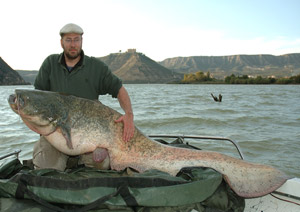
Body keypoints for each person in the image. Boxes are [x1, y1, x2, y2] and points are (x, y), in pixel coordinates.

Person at [33, 23, 135, 171]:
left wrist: (129, 115)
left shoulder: (96, 67)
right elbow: (37, 98)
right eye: (68, 40)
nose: (73, 44)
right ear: (61, 42)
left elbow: (119, 89)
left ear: (82, 41)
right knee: (45, 169)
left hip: (90, 137)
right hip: (55, 135)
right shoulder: (50, 64)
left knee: (101, 164)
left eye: (76, 39)